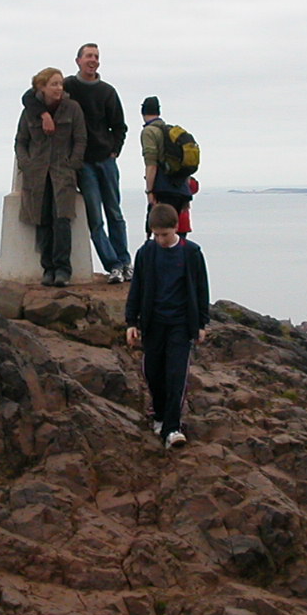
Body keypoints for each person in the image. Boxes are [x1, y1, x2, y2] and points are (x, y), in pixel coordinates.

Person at [23, 44, 132, 282]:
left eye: (96, 56)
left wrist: (114, 151)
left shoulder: (107, 91)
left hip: (106, 160)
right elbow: (29, 97)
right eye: (89, 56)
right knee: (95, 219)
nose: (93, 60)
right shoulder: (68, 85)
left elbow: (119, 126)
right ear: (78, 61)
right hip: (84, 164)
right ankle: (113, 266)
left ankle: (125, 262)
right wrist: (44, 114)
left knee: (115, 213)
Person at [125, 203, 211, 449]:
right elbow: (137, 288)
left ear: (176, 228)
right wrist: (131, 322)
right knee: (153, 372)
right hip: (153, 323)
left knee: (176, 375)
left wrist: (201, 323)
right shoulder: (146, 253)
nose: (161, 239)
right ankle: (160, 416)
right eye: (156, 235)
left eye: (165, 234)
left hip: (181, 324)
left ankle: (172, 429)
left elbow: (201, 289)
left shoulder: (191, 253)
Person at [14, 67, 87, 287]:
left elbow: (80, 139)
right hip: (37, 175)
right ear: (42, 87)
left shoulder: (72, 108)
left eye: (60, 84)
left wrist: (72, 164)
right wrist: (27, 165)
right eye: (54, 84)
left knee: (62, 219)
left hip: (62, 173)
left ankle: (63, 269)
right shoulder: (30, 112)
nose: (59, 88)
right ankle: (48, 269)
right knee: (42, 219)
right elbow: (20, 141)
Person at [139, 96, 194, 234]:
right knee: (176, 233)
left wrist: (149, 192)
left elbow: (151, 164)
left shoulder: (149, 132)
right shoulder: (171, 131)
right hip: (181, 189)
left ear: (143, 112)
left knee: (159, 230)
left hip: (163, 189)